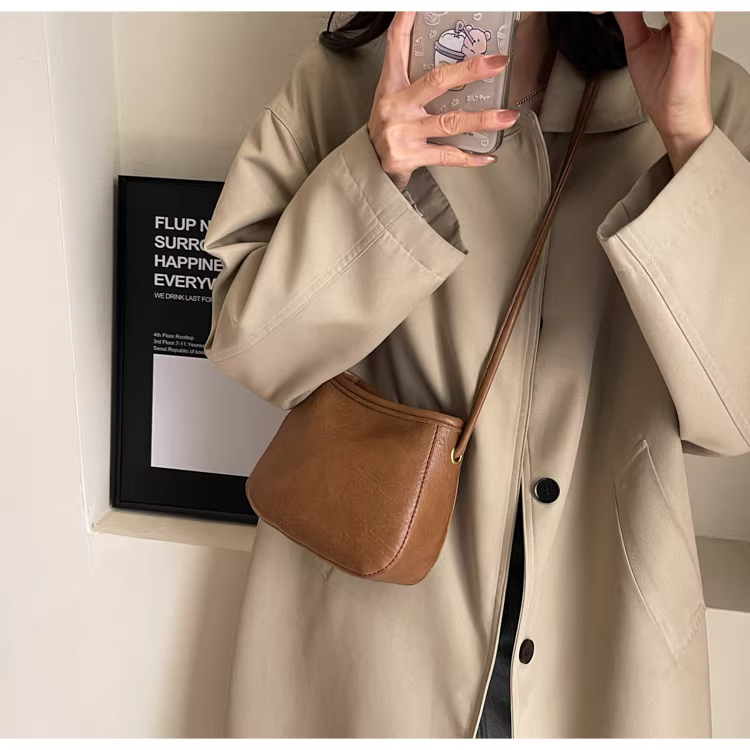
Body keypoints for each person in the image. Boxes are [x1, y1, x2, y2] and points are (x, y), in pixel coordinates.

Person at [203, 11, 750, 738]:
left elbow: (736, 413)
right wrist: (376, 172)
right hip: (371, 642)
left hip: (603, 637)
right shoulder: (343, 83)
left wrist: (685, 138)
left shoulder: (706, 95)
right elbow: (250, 350)